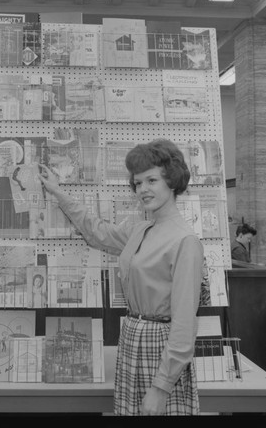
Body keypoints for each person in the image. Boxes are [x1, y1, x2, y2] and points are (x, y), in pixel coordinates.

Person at [38, 138, 203, 416]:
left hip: (161, 348)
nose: (143, 190)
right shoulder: (141, 230)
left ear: (172, 181)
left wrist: (161, 387)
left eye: (151, 180)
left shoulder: (185, 240)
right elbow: (96, 232)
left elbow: (185, 325)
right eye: (138, 183)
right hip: (131, 337)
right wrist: (58, 192)